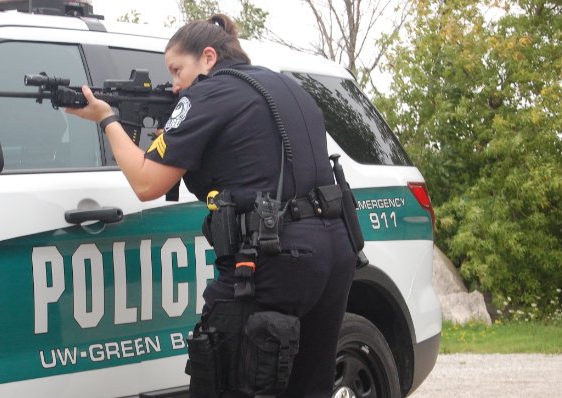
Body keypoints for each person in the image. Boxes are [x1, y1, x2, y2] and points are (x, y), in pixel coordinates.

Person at [65, 14, 357, 398]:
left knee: (223, 381)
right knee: (308, 387)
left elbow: (146, 182)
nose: (175, 84)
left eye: (177, 70)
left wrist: (107, 119)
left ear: (208, 57)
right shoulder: (285, 84)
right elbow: (254, 159)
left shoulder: (209, 93)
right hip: (335, 249)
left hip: (273, 255)